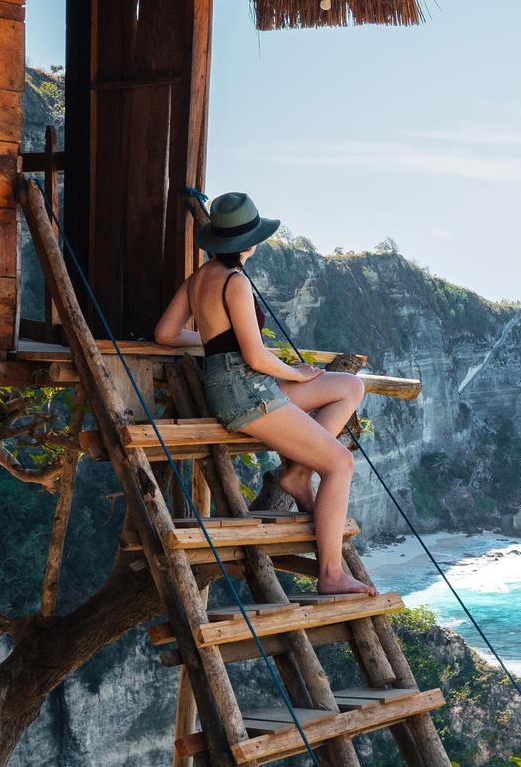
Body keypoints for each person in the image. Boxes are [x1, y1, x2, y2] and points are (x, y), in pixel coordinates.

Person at [154, 192, 371, 595]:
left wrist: (212, 343)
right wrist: (297, 374)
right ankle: (330, 574)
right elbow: (255, 356)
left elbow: (165, 334)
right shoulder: (235, 282)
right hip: (245, 392)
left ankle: (298, 471)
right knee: (340, 464)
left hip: (237, 385)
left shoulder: (199, 278)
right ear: (249, 243)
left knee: (349, 386)